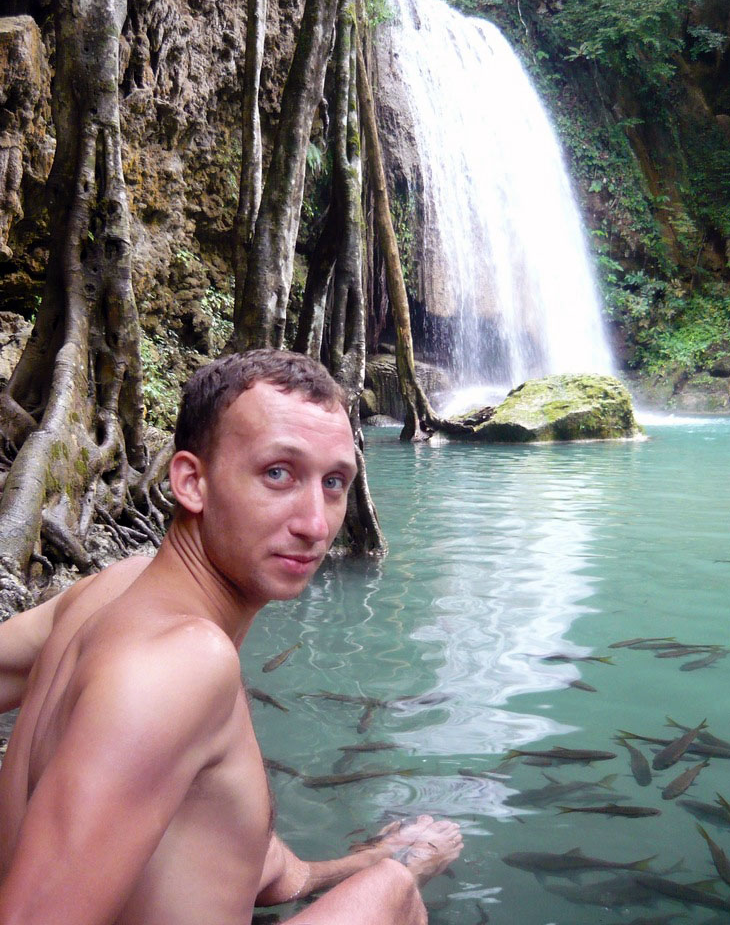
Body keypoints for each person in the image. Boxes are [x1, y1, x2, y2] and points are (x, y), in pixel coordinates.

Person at [0, 349, 462, 925]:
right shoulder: (185, 664)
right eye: (278, 474)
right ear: (191, 482)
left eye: (334, 482)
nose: (315, 524)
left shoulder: (109, 589)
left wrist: (366, 862)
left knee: (382, 875)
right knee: (393, 896)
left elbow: (217, 845)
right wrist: (393, 881)